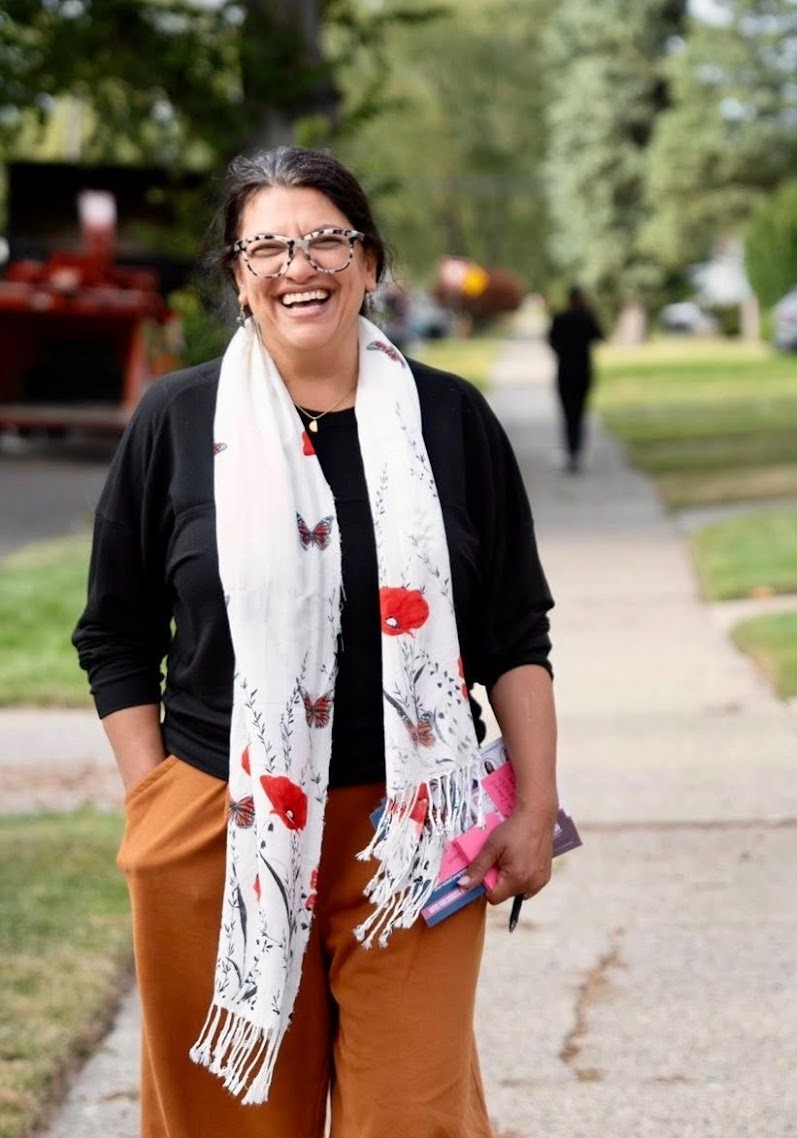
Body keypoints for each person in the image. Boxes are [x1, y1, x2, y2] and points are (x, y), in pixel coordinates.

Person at [73, 145, 558, 1137]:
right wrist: (156, 798)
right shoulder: (176, 420)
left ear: (371, 263)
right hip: (219, 821)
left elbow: (513, 633)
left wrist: (537, 805)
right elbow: (116, 632)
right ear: (239, 279)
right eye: (270, 247)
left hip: (418, 827)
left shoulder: (452, 419)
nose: (301, 265)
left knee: (410, 1117)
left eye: (326, 239)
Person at [546, 285, 604, 473]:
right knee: (579, 413)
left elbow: (551, 342)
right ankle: (577, 450)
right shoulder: (586, 318)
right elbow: (600, 336)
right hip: (583, 371)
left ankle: (571, 451)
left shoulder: (560, 319)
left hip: (565, 372)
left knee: (567, 414)